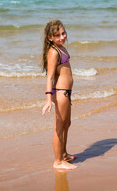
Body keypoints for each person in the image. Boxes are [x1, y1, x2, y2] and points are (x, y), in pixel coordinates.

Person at [42, 19, 77, 170]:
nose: (62, 37)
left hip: (66, 92)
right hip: (61, 92)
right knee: (59, 126)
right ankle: (58, 161)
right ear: (50, 38)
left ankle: (63, 154)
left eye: (63, 33)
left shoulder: (61, 48)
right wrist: (48, 99)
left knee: (67, 124)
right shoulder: (53, 51)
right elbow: (50, 77)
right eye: (57, 35)